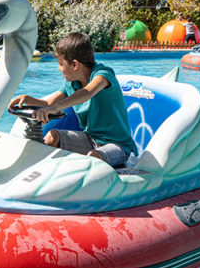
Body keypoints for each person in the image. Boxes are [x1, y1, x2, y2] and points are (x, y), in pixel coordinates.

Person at [8, 32, 138, 167]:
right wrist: (28, 99)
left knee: (94, 156)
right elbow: (48, 103)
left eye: (61, 64)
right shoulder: (71, 83)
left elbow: (87, 93)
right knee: (53, 136)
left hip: (117, 146)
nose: (59, 69)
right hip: (90, 139)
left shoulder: (103, 75)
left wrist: (53, 109)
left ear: (75, 64)